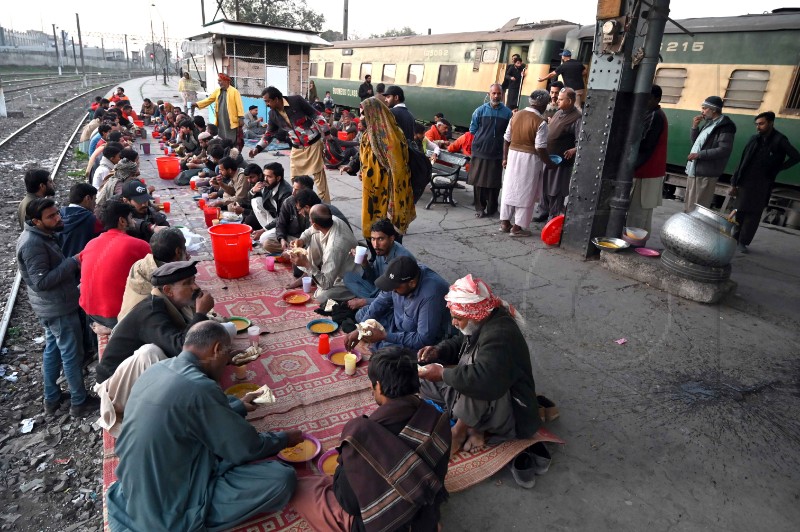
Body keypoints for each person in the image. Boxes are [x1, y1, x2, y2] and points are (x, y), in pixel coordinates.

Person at [106, 321, 301, 531]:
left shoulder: (157, 369)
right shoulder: (200, 387)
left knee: (216, 447)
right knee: (282, 478)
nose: (227, 363)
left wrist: (238, 406)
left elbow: (194, 415)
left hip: (132, 491)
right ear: (216, 350)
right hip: (169, 511)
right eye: (227, 356)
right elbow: (246, 448)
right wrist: (284, 439)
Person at [290, 347, 451, 532]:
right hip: (425, 515)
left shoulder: (361, 436)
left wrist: (344, 465)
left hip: (384, 525)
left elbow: (348, 502)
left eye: (372, 383)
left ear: (379, 387)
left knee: (304, 489)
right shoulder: (438, 420)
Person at [418, 274, 540, 457]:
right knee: (422, 381)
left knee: (474, 380)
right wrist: (438, 351)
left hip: (512, 414)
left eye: (457, 318)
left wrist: (443, 374)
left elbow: (483, 379)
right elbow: (461, 341)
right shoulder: (480, 321)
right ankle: (473, 423)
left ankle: (459, 431)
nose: (453, 322)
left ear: (474, 314)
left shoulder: (500, 334)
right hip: (486, 396)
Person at [17, 198, 99, 418]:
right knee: (72, 354)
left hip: (50, 307)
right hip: (57, 309)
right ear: (36, 221)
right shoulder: (32, 244)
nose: (58, 218)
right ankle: (79, 402)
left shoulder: (39, 236)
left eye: (57, 214)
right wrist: (72, 262)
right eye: (51, 217)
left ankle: (52, 398)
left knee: (53, 350)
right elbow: (41, 282)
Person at [95, 260, 214, 384]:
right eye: (187, 283)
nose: (196, 287)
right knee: (154, 353)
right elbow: (182, 348)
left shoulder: (174, 304)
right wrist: (201, 313)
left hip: (137, 375)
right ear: (168, 290)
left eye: (194, 280)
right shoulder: (151, 312)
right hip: (114, 382)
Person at [346, 256, 450, 352]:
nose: (392, 290)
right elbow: (380, 303)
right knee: (362, 314)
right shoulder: (400, 278)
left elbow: (423, 339)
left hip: (419, 335)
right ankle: (383, 340)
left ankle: (384, 342)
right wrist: (360, 329)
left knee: (388, 353)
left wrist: (385, 336)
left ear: (412, 283)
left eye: (395, 288)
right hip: (398, 321)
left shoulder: (430, 295)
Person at [731, 111, 800, 253]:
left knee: (753, 213)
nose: (758, 127)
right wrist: (734, 181)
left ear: (771, 123)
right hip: (745, 181)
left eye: (761, 124)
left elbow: (795, 156)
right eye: (756, 124)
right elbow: (743, 160)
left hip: (763, 182)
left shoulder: (780, 140)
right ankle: (734, 238)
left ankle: (743, 242)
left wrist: (778, 168)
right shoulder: (754, 139)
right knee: (740, 210)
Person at [251, 86, 331, 202]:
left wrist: (327, 133)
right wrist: (257, 148)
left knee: (318, 176)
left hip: (313, 143)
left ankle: (325, 205)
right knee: (295, 178)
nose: (267, 104)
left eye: (268, 101)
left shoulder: (296, 100)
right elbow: (269, 133)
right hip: (296, 147)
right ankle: (300, 203)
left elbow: (316, 115)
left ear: (276, 99)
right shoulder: (273, 114)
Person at [79, 201, 151, 330]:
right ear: (122, 221)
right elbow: (158, 271)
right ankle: (117, 330)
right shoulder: (138, 245)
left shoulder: (91, 243)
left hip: (90, 310)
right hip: (115, 314)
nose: (134, 222)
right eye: (131, 218)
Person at [358, 96, 416, 241]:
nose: (360, 118)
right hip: (371, 188)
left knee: (387, 228)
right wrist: (354, 167)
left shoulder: (391, 136)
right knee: (371, 222)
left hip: (386, 189)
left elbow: (398, 168)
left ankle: (390, 257)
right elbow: (363, 155)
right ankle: (376, 255)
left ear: (373, 114)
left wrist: (393, 197)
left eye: (363, 114)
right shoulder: (368, 134)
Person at [500, 90, 555, 237]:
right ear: (543, 105)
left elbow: (506, 139)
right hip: (530, 160)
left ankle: (505, 223)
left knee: (509, 189)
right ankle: (517, 228)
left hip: (512, 156)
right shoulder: (540, 122)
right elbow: (540, 147)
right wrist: (549, 162)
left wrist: (505, 158)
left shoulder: (516, 116)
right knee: (526, 192)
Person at [288, 204, 359, 305]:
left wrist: (307, 265)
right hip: (335, 260)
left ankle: (314, 274)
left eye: (310, 220)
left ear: (314, 224)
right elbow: (310, 231)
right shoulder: (332, 219)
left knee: (321, 296)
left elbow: (326, 284)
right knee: (315, 235)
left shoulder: (334, 247)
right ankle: (312, 275)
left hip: (348, 278)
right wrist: (301, 240)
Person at [344, 218, 416, 310]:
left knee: (364, 313)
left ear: (391, 238)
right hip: (380, 288)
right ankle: (373, 301)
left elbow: (399, 294)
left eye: (380, 239)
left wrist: (364, 302)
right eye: (373, 239)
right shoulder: (381, 250)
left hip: (394, 295)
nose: (375, 245)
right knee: (348, 277)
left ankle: (372, 302)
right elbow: (374, 278)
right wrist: (365, 263)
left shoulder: (402, 260)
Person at [118, 227, 188, 321]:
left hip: (124, 322)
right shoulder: (171, 280)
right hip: (150, 332)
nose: (188, 255)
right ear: (178, 252)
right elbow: (189, 314)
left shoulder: (139, 265)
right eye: (185, 250)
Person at [627, 84, 669, 234]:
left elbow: (645, 144)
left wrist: (630, 166)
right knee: (640, 213)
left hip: (647, 171)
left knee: (638, 212)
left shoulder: (655, 116)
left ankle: (634, 241)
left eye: (648, 98)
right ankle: (637, 240)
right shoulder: (652, 113)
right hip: (648, 170)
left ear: (656, 99)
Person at [685, 96, 737, 212]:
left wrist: (699, 155)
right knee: (689, 206)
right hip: (694, 170)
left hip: (706, 173)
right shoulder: (709, 123)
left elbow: (724, 149)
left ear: (713, 110)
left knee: (697, 208)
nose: (702, 111)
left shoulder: (725, 126)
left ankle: (695, 230)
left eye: (704, 108)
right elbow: (697, 143)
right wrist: (694, 127)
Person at [468, 84, 513, 218]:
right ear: (489, 94)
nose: (496, 96)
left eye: (499, 93)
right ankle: (480, 208)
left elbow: (509, 133)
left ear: (502, 94)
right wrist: (483, 140)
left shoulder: (507, 113)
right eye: (494, 93)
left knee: (494, 182)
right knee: (479, 181)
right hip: (480, 151)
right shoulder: (480, 111)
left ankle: (492, 208)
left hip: (497, 152)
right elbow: (472, 130)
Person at [538, 87, 582, 221]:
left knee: (556, 188)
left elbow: (580, 139)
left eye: (561, 99)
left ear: (570, 101)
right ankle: (543, 211)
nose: (557, 101)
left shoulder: (577, 117)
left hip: (561, 160)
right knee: (544, 185)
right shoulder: (559, 112)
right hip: (548, 156)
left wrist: (574, 149)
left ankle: (554, 215)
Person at [262, 175, 315, 253]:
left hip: (308, 240)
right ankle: (295, 253)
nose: (293, 192)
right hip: (292, 238)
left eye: (297, 190)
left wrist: (302, 242)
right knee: (266, 243)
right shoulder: (289, 201)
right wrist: (282, 239)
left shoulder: (315, 206)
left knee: (313, 249)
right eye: (293, 188)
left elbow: (313, 234)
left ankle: (299, 254)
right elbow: (281, 223)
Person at [192, 73, 245, 145]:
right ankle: (223, 151)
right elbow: (209, 100)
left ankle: (232, 151)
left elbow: (239, 105)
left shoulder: (234, 91)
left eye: (220, 80)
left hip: (231, 120)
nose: (218, 82)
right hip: (221, 119)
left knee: (232, 138)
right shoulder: (217, 91)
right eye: (218, 81)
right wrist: (197, 104)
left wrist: (241, 118)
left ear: (226, 81)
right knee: (222, 136)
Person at [250, 161, 293, 240]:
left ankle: (269, 233)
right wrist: (253, 191)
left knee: (263, 238)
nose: (265, 179)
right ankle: (268, 231)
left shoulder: (286, 193)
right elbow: (246, 199)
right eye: (264, 176)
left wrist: (263, 230)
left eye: (269, 176)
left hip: (284, 222)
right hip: (274, 217)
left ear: (278, 178)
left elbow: (282, 217)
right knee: (255, 201)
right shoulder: (268, 184)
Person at [59, 183, 101, 257]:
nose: (95, 203)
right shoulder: (92, 220)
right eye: (94, 199)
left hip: (62, 264)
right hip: (81, 264)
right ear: (87, 198)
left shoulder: (58, 216)